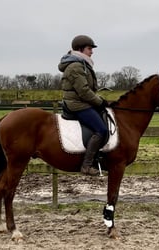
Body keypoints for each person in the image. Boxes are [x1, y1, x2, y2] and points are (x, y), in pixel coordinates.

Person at [58, 35, 108, 176]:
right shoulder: (75, 66)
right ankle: (86, 165)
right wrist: (99, 101)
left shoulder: (82, 64)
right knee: (101, 130)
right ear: (80, 49)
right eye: (89, 48)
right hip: (77, 104)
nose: (92, 51)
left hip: (82, 102)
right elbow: (84, 91)